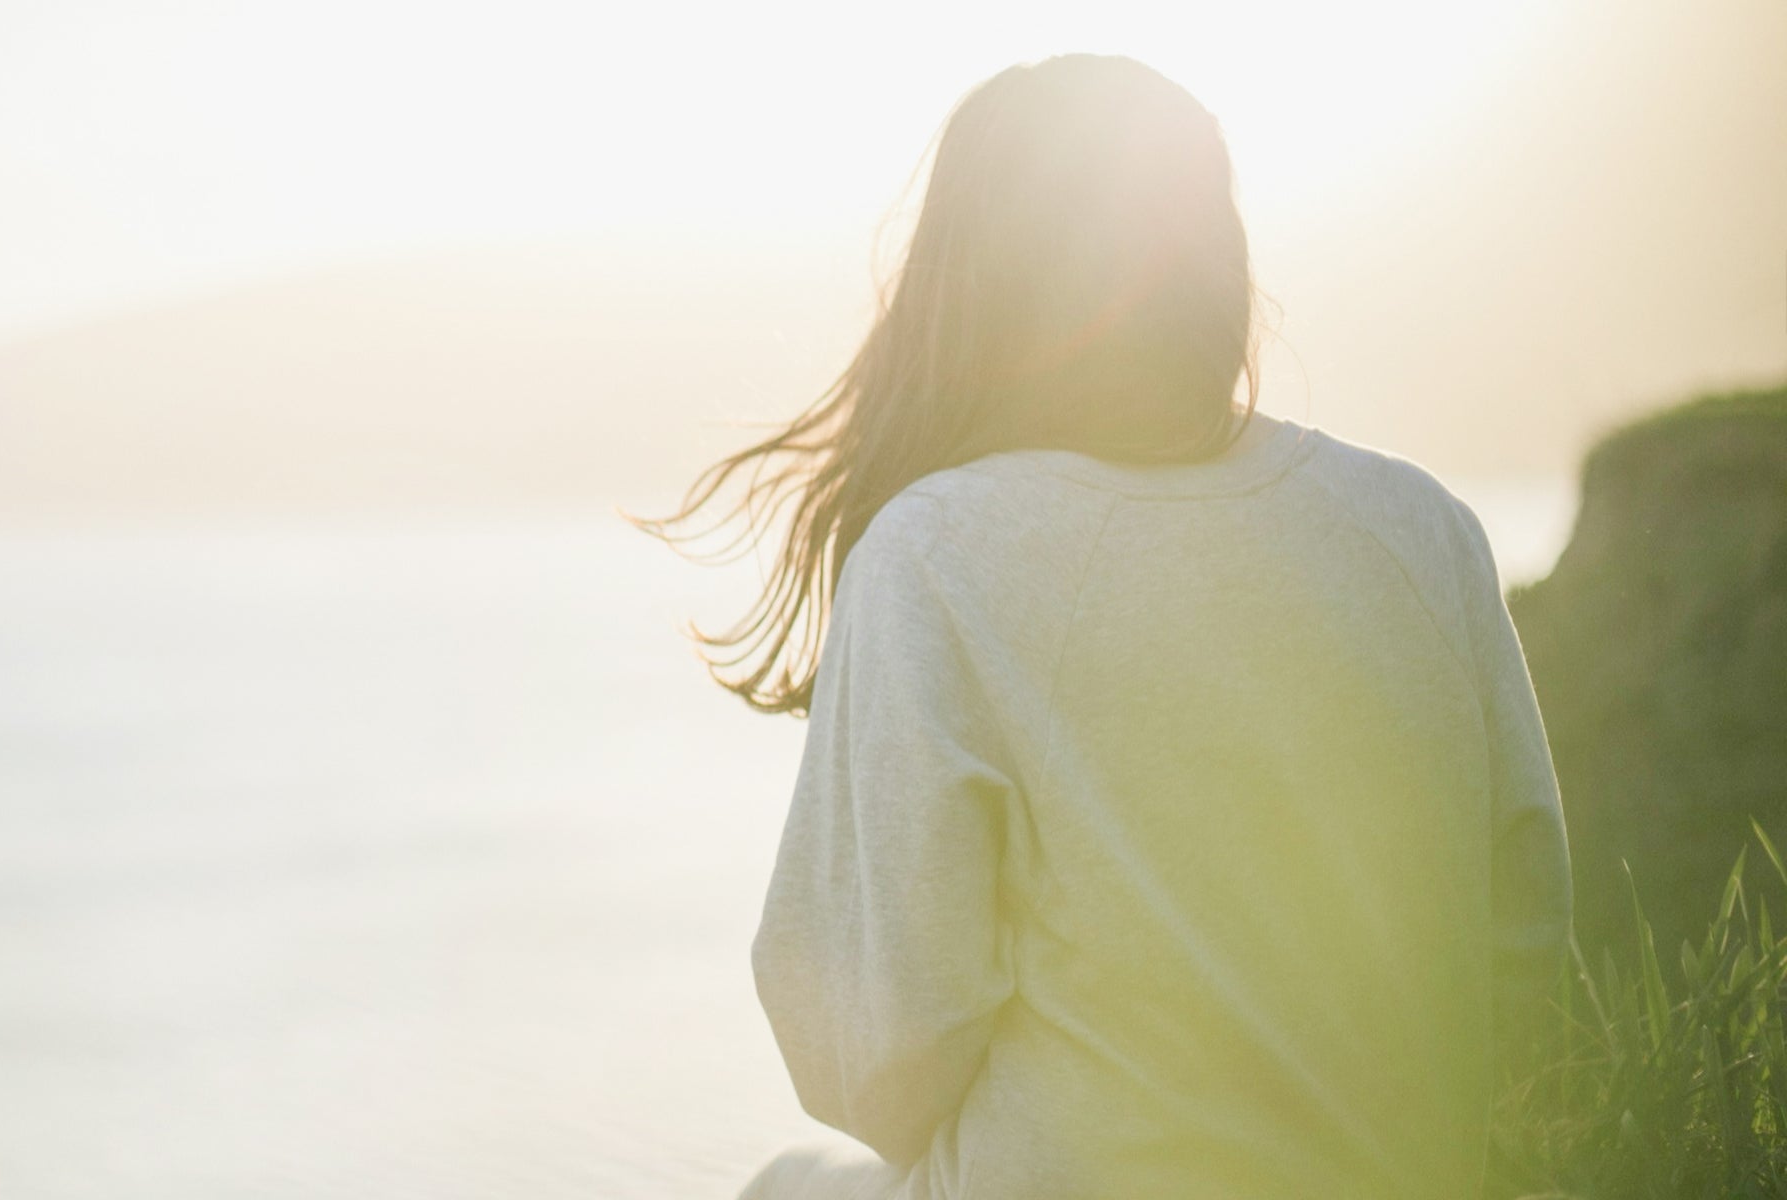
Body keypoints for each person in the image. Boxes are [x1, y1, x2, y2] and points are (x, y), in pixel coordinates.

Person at [637, 55, 1575, 1199]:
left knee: (792, 1178)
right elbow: (1523, 966)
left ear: (964, 283)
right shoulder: (1420, 526)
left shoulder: (937, 553)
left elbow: (870, 1067)